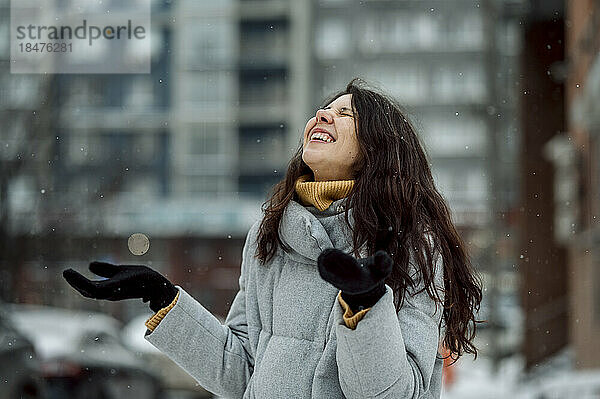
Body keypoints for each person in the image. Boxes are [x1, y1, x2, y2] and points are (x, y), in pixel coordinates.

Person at [63, 78, 483, 398]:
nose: (322, 116)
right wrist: (164, 299)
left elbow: (394, 394)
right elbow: (241, 371)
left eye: (345, 115)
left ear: (378, 149)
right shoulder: (271, 237)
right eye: (322, 110)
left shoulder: (410, 243)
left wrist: (366, 309)